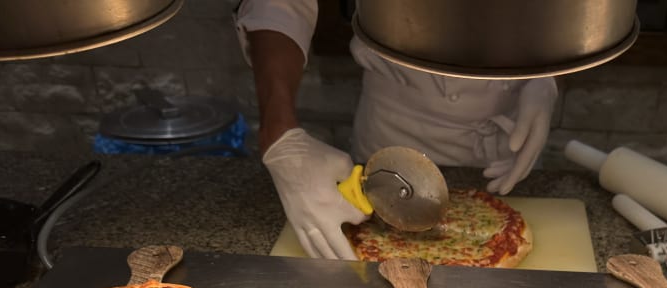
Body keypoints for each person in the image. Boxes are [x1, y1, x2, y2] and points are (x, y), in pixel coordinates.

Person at [234, 0, 559, 260]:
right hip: (393, 132)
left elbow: (564, 15)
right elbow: (278, 5)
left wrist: (544, 77)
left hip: (505, 138)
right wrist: (279, 134)